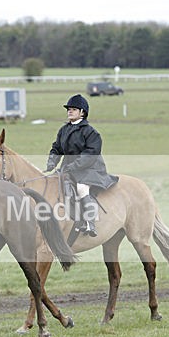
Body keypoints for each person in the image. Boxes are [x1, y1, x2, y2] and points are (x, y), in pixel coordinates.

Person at [45, 94, 118, 237]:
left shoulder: (91, 132)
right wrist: (52, 161)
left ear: (82, 112)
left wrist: (73, 166)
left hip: (90, 168)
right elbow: (57, 148)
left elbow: (90, 154)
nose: (69, 111)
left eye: (73, 109)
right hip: (69, 168)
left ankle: (90, 222)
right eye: (68, 109)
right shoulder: (63, 130)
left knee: (81, 188)